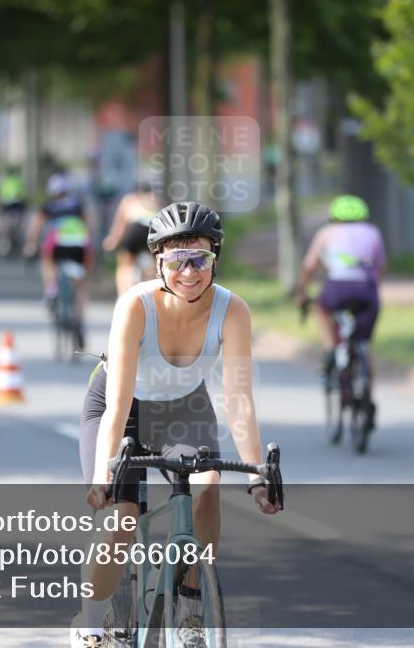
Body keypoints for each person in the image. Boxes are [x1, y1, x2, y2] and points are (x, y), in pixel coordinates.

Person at [71, 201, 279, 648]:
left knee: (207, 490)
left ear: (215, 258)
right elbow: (117, 402)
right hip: (120, 407)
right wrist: (102, 476)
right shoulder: (135, 306)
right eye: (176, 260)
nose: (189, 272)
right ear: (158, 263)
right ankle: (89, 624)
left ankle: (191, 603)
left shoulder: (233, 311)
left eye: (200, 259)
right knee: (122, 519)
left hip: (184, 407)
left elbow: (239, 401)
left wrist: (259, 476)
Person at [294, 195, 386, 423]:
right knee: (364, 343)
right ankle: (367, 396)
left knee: (321, 308)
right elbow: (381, 267)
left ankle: (330, 349)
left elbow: (309, 266)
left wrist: (302, 293)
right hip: (367, 291)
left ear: (334, 217)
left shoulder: (326, 232)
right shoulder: (373, 232)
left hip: (337, 288)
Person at [24, 174, 94, 345]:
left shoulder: (48, 207)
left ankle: (51, 289)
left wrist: (30, 244)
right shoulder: (78, 207)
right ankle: (80, 321)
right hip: (79, 245)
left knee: (47, 261)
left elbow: (36, 228)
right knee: (81, 283)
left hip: (57, 243)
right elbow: (89, 227)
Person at [101, 178, 160, 297]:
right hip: (153, 231)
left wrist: (113, 240)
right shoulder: (155, 200)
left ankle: (124, 295)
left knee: (125, 263)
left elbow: (120, 224)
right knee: (156, 265)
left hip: (136, 228)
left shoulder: (129, 200)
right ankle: (152, 292)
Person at [0, 164, 27, 256]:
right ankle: (17, 233)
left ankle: (4, 238)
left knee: (4, 220)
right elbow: (23, 194)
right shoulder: (18, 180)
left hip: (6, 202)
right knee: (21, 218)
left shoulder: (4, 180)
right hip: (17, 202)